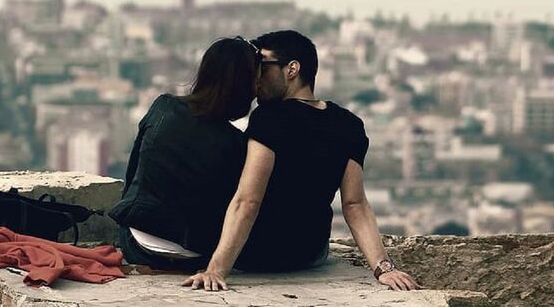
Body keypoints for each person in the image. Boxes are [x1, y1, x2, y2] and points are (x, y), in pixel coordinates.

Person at [182, 30, 419, 291]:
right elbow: (355, 204)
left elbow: (248, 201)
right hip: (311, 253)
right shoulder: (349, 124)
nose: (256, 77)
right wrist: (384, 268)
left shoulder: (269, 118)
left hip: (258, 253)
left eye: (263, 66)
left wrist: (216, 270)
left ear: (292, 69)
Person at [109, 36, 261, 272]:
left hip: (139, 244)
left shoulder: (164, 108)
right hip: (195, 253)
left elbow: (134, 171)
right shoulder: (237, 143)